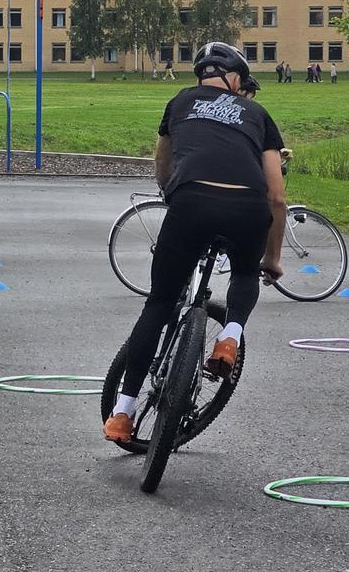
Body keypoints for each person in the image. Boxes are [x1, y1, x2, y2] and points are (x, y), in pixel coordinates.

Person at [104, 42, 287, 444]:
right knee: (244, 271)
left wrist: (174, 195)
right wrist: (272, 259)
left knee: (159, 303)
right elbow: (276, 196)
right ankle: (229, 337)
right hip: (247, 207)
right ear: (236, 79)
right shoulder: (257, 114)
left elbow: (162, 163)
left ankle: (122, 413)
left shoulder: (180, 102)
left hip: (190, 203)